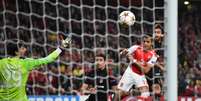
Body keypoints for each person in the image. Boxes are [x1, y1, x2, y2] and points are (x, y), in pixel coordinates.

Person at [0, 37, 71, 101]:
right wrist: (61, 47)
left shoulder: (1, 63)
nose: (25, 49)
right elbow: (48, 59)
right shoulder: (26, 63)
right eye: (22, 48)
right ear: (16, 52)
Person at [116, 34, 158, 100]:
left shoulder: (154, 56)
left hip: (140, 74)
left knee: (146, 93)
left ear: (151, 43)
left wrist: (134, 61)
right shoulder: (135, 48)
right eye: (143, 41)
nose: (145, 43)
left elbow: (146, 70)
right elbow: (121, 55)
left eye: (147, 42)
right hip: (130, 71)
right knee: (118, 92)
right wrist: (123, 53)